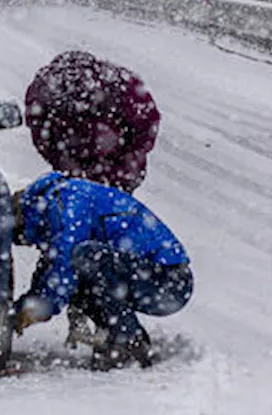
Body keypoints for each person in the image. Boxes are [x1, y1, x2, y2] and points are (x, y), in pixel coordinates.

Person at [11, 171, 192, 369]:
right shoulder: (54, 204)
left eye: (22, 239)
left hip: (170, 282)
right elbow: (49, 270)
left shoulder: (69, 200)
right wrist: (21, 308)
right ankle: (118, 336)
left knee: (84, 257)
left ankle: (127, 341)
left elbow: (64, 266)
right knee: (77, 271)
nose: (29, 244)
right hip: (150, 277)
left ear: (24, 217)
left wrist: (33, 310)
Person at [24, 51, 159, 194]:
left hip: (118, 167)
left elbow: (146, 127)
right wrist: (64, 163)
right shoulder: (41, 93)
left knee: (113, 209)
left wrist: (120, 166)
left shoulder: (123, 87)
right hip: (71, 163)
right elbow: (41, 136)